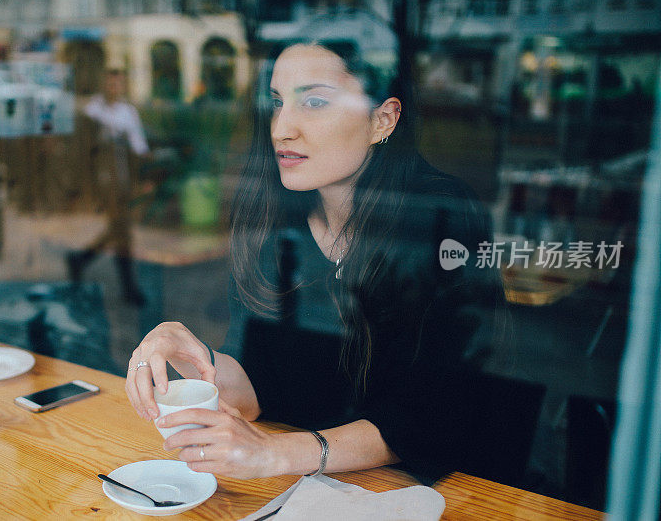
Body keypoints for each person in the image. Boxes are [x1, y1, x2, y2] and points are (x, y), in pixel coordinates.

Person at [125, 40, 507, 481]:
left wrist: (277, 453)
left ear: (382, 120)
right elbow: (259, 382)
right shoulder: (275, 217)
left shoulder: (439, 214)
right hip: (303, 488)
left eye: (315, 101)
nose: (281, 128)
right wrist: (186, 355)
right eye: (276, 102)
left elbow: (439, 413)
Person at [66, 69, 149, 305]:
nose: (115, 88)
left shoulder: (128, 112)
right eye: (111, 84)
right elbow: (83, 149)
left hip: (122, 179)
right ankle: (129, 289)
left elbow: (139, 146)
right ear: (104, 84)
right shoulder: (93, 110)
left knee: (119, 231)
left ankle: (80, 259)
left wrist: (144, 175)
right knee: (121, 233)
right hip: (101, 181)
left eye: (119, 84)